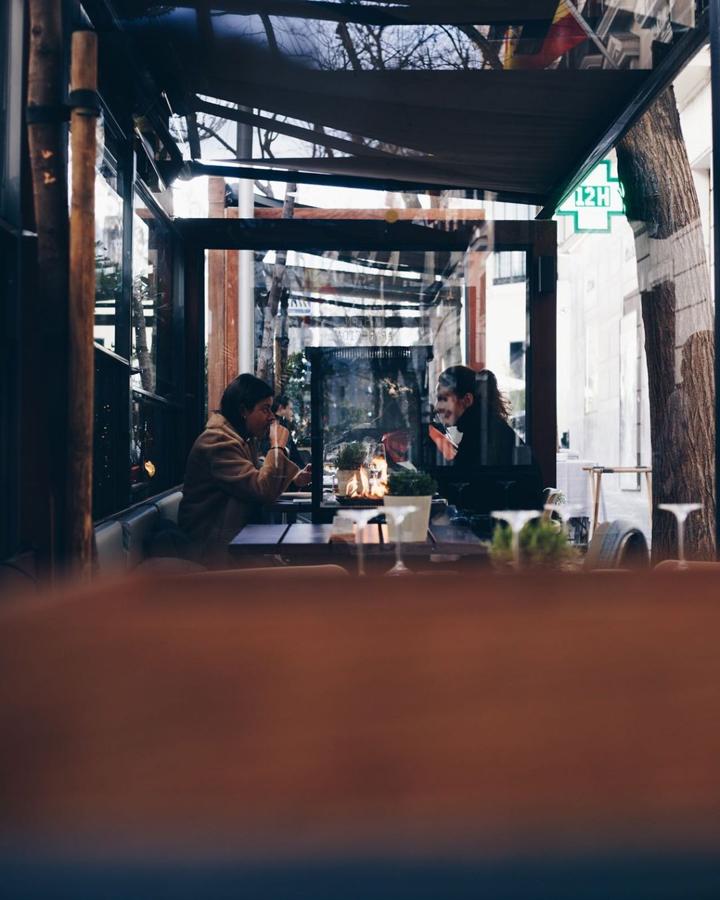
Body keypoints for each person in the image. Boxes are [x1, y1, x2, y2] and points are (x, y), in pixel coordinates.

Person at [179, 374, 312, 566]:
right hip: (214, 552)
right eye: (265, 409)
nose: (271, 417)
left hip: (236, 543)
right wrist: (277, 446)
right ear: (243, 410)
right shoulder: (217, 441)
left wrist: (294, 481)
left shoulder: (240, 440)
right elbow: (262, 490)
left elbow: (254, 479)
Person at [430, 366, 542, 511]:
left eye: (443, 399)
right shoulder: (485, 426)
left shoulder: (482, 433)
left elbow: (466, 488)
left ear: (467, 400)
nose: (436, 407)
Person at [271, 394, 305, 468]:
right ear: (281, 408)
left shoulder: (283, 425)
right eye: (290, 409)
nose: (292, 413)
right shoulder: (277, 427)